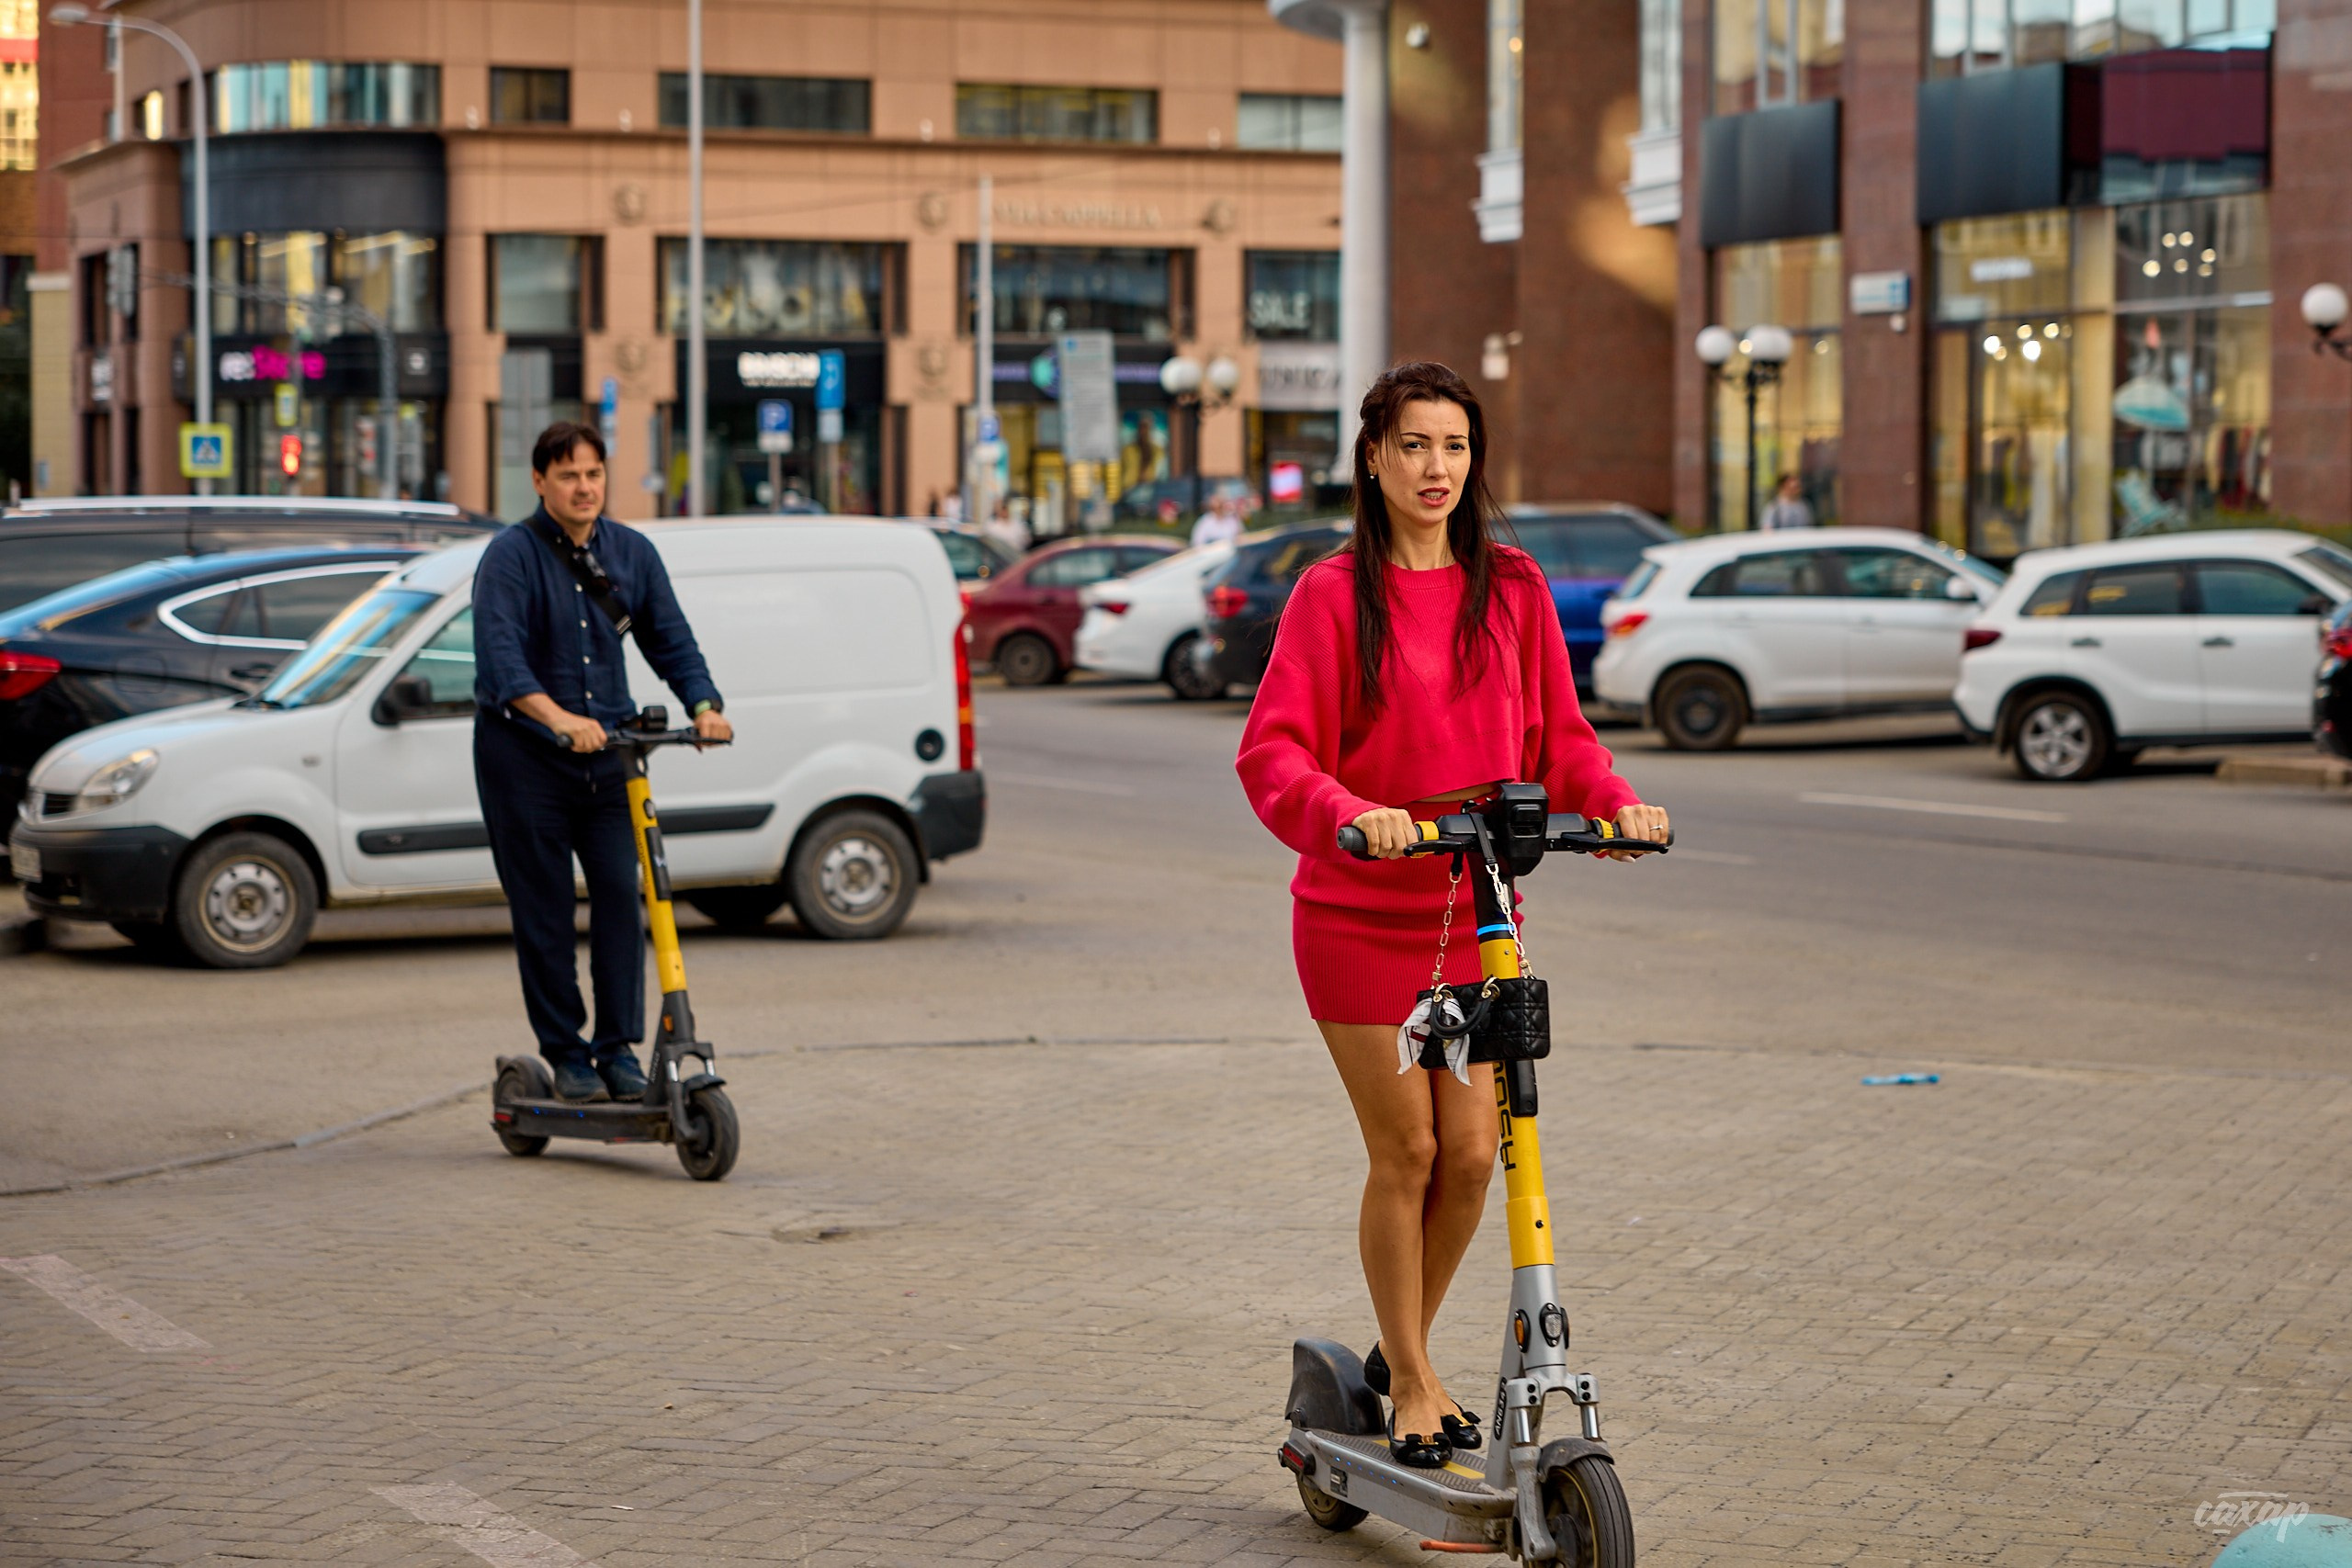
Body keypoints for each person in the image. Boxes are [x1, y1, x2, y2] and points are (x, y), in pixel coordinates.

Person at [1236, 362, 1669, 1470]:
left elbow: (1561, 737)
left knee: (1475, 1154)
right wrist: (1351, 811)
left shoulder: (1511, 584)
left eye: (1455, 447)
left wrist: (1612, 803)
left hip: (1476, 908)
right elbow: (1272, 751)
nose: (1437, 469)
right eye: (1415, 446)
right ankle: (1416, 1380)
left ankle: (1398, 1351)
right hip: (1357, 915)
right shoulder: (1333, 595)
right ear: (1372, 459)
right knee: (1410, 1148)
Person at [472, 422, 734, 1104]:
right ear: (539, 482)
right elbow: (501, 659)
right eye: (568, 475)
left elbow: (671, 639)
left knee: (623, 896)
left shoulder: (633, 552)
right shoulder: (511, 557)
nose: (584, 487)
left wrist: (704, 704)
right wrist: (558, 719)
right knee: (546, 908)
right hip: (525, 759)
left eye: (593, 473)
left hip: (611, 758)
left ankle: (616, 1047)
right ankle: (566, 1051)